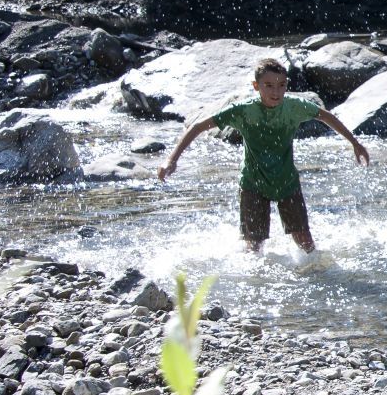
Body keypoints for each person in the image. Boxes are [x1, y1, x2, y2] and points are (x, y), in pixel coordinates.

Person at [158, 57, 370, 253]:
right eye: (269, 85)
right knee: (254, 248)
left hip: (286, 181)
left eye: (281, 85)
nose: (276, 92)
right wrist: (171, 159)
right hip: (253, 183)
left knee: (305, 242)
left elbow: (325, 116)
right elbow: (197, 127)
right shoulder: (243, 111)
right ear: (256, 86)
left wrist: (355, 143)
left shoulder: (294, 107)